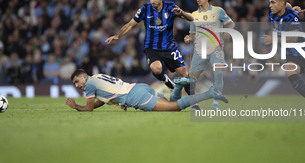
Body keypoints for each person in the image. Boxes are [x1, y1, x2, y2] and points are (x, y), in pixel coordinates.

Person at [105, 0, 194, 91]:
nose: (152, 1)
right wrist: (117, 35)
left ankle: (193, 100)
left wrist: (182, 13)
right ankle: (165, 80)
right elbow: (130, 24)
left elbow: (191, 18)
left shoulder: (170, 7)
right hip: (152, 48)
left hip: (169, 47)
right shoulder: (145, 9)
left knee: (184, 73)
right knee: (156, 69)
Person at [173, 0, 235, 110]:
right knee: (192, 79)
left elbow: (231, 24)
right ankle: (194, 103)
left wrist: (228, 32)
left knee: (218, 74)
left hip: (216, 48)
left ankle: (216, 104)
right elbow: (193, 35)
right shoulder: (193, 15)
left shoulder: (218, 11)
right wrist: (188, 38)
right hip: (199, 50)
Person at [65, 69, 228, 112]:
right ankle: (178, 86)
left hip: (135, 97)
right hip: (139, 87)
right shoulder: (97, 77)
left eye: (77, 81)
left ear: (84, 77)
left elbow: (89, 108)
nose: (77, 85)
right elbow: (103, 99)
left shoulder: (89, 86)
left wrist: (76, 106)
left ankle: (210, 93)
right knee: (171, 101)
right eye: (75, 84)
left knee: (175, 107)